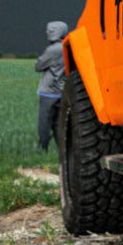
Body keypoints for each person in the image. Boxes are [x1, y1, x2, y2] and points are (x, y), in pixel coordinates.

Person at [35, 20, 69, 152]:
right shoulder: (68, 47)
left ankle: (42, 149)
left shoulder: (52, 49)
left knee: (44, 122)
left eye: (49, 30)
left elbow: (38, 66)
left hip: (48, 91)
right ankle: (63, 149)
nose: (47, 32)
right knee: (58, 123)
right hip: (62, 91)